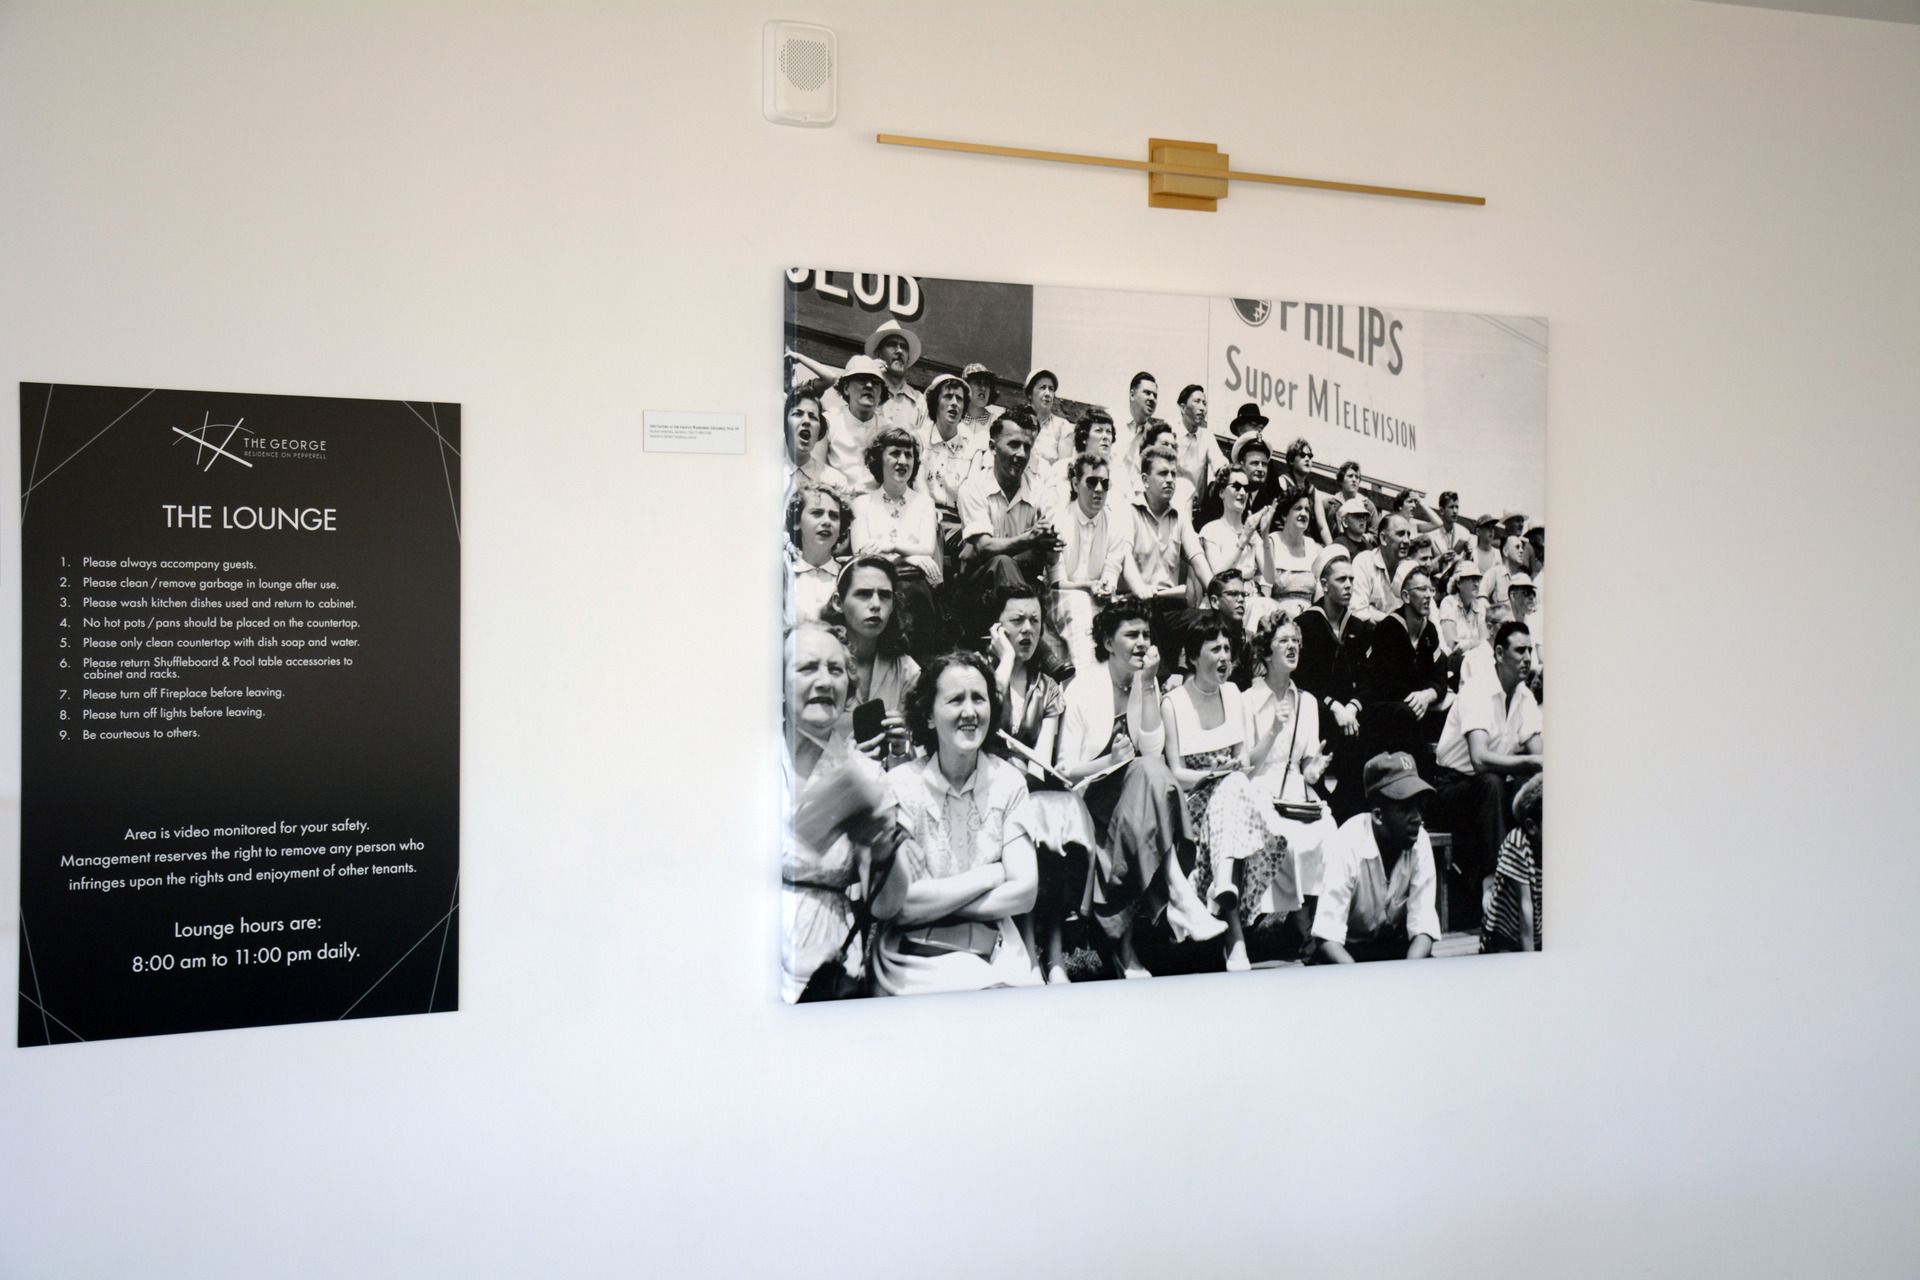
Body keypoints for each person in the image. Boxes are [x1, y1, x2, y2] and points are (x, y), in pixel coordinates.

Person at [1056, 600, 1222, 976]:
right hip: (1089, 805)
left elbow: (1151, 748)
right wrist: (1108, 762)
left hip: (1135, 802)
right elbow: (1065, 772)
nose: (1141, 643)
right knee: (1147, 778)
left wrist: (1148, 685)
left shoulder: (1145, 680)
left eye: (1146, 634)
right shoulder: (1083, 689)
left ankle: (1133, 944)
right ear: (1107, 642)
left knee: (1150, 770)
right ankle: (1177, 896)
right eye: (1131, 635)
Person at [871, 651, 1043, 995]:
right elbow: (899, 907)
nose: (969, 712)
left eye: (979, 698)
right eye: (955, 700)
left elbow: (1024, 893)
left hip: (994, 942)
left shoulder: (1009, 783)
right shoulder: (900, 785)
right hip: (912, 953)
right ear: (930, 716)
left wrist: (931, 902)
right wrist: (990, 875)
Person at [1161, 611, 1299, 972]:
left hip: (1232, 800)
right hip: (1193, 804)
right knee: (1230, 787)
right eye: (1214, 649)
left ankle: (1227, 898)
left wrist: (1271, 732)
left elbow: (1245, 763)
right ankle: (1234, 936)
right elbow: (1175, 773)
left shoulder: (1234, 694)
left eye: (1227, 648)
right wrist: (1212, 774)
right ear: (1193, 656)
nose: (1224, 656)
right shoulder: (1173, 702)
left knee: (1234, 785)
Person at [782, 623, 911, 1001]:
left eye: (835, 670)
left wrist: (882, 847)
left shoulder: (865, 776)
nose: (824, 681)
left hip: (823, 958)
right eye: (808, 668)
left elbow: (887, 906)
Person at [984, 585, 1098, 986]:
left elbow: (1041, 762)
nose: (1028, 630)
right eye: (1017, 621)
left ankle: (1051, 953)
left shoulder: (1049, 689)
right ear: (998, 628)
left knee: (1060, 809)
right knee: (1033, 811)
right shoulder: (979, 674)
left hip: (1025, 787)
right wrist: (1006, 662)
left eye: (1035, 621)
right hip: (983, 786)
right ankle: (1031, 947)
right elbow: (979, 736)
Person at [1432, 620, 1542, 928]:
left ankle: (1534, 880)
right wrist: (1533, 762)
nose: (1527, 658)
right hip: (1449, 788)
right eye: (1519, 651)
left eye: (1530, 651)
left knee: (1529, 787)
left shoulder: (1524, 696)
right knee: (1493, 782)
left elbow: (1539, 755)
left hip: (1486, 790)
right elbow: (1479, 759)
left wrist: (1535, 764)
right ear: (1498, 653)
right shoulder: (1477, 690)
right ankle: (1495, 888)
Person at [1246, 613, 1338, 952]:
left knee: (1328, 834)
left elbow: (1306, 763)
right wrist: (1272, 730)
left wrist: (1314, 768)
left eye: (1296, 642)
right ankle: (1301, 929)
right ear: (1266, 653)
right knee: (1292, 841)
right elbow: (1246, 763)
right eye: (1283, 641)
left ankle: (1318, 923)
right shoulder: (1248, 701)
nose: (1292, 647)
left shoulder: (1308, 702)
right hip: (1258, 790)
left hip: (1297, 793)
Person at [1310, 752, 1441, 963]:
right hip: (1344, 952)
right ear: (1378, 815)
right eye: (1406, 808)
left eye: (1420, 806)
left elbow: (1423, 928)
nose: (1417, 818)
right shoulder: (1347, 842)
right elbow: (1327, 938)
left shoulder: (1419, 839)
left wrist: (1410, 973)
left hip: (1391, 946)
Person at [954, 409, 1062, 643]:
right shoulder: (973, 487)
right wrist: (1030, 541)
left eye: (1027, 447)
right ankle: (1041, 647)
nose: (1021, 454)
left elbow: (1052, 558)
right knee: (1002, 563)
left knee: (1012, 567)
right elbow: (984, 547)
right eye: (1013, 444)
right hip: (979, 592)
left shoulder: (1039, 490)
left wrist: (1048, 544)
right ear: (993, 447)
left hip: (1026, 585)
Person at [850, 426, 946, 658]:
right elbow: (862, 552)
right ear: (879, 458)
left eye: (909, 454)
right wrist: (912, 556)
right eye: (894, 453)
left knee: (914, 589)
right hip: (877, 582)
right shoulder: (862, 504)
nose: (902, 461)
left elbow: (927, 548)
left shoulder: (925, 504)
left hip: (915, 587)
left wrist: (890, 546)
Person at [1293, 547, 1371, 819]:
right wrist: (1335, 707)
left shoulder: (1361, 629)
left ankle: (1356, 809)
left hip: (1352, 714)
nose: (1349, 585)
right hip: (1318, 710)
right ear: (1324, 585)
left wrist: (1352, 706)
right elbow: (1302, 679)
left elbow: (1368, 679)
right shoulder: (1305, 624)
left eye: (1351, 579)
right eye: (1341, 580)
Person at [821, 556, 919, 765]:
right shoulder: (819, 666)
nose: (876, 605)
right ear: (838, 602)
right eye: (864, 594)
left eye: (884, 596)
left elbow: (915, 763)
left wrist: (902, 747)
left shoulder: (906, 670)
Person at [1048, 450, 1139, 674]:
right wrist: (1087, 587)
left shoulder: (1116, 524)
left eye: (1104, 483)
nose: (1099, 489)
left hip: (1097, 600)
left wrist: (1105, 587)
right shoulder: (1057, 519)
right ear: (1075, 484)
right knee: (1079, 603)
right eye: (1092, 482)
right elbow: (1056, 583)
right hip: (1059, 599)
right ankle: (1087, 680)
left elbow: (1111, 574)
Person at [1128, 444, 1214, 659]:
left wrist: (1216, 590)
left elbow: (1197, 558)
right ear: (1145, 480)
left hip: (1171, 606)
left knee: (1214, 623)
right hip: (1137, 605)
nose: (1170, 480)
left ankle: (1188, 678)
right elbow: (1124, 556)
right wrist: (1139, 588)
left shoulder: (1180, 517)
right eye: (1163, 473)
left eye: (1173, 474)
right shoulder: (1130, 512)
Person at [790, 319, 930, 451]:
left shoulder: (919, 401)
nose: (899, 351)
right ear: (878, 354)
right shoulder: (857, 391)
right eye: (892, 345)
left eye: (904, 347)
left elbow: (925, 444)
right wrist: (871, 371)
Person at [1356, 560, 1446, 764]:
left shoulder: (1429, 630)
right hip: (1381, 710)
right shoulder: (1388, 629)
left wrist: (1428, 694)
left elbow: (1439, 674)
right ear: (1405, 596)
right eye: (1421, 589)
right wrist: (1420, 697)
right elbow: (1388, 685)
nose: (1428, 595)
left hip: (1415, 704)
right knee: (1406, 713)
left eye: (1430, 589)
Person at [1481, 774, 1543, 954]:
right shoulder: (1517, 844)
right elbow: (1525, 907)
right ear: (1532, 826)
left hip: (1537, 932)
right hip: (1503, 935)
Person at [1195, 464, 1275, 604]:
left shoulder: (1252, 532)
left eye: (1246, 488)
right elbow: (1218, 577)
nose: (1243, 492)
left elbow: (1270, 576)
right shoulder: (1211, 530)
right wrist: (1243, 539)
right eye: (1236, 486)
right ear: (1221, 493)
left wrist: (1264, 535)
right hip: (1223, 601)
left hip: (1250, 599)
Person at [814, 353, 892, 492]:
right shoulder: (829, 420)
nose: (869, 386)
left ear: (881, 393)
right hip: (836, 499)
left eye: (875, 382)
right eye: (862, 380)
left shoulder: (888, 429)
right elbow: (816, 467)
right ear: (845, 388)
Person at [920, 372, 985, 521]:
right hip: (923, 518)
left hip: (959, 523)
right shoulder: (919, 440)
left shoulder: (974, 449)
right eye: (948, 396)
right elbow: (919, 487)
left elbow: (971, 493)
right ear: (935, 403)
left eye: (959, 399)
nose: (954, 403)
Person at [785, 483, 851, 628]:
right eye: (817, 513)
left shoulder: (848, 576)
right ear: (797, 522)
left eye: (834, 516)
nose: (827, 522)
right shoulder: (784, 572)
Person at [1265, 483, 1324, 618]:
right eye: (1298, 508)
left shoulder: (1315, 549)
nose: (1304, 513)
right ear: (1285, 515)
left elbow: (1320, 598)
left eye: (1307, 510)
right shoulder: (1271, 543)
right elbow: (1265, 597)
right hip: (1277, 620)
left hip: (1309, 620)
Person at [1349, 512, 1416, 622]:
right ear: (1384, 538)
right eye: (1400, 534)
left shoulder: (1412, 568)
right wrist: (1394, 622)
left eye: (1408, 535)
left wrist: (1372, 611)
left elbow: (1425, 613)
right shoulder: (1364, 562)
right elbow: (1357, 611)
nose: (1407, 540)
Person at [785, 386, 849, 493]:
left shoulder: (835, 482)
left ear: (820, 431)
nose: (806, 421)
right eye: (798, 414)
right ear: (785, 425)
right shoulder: (766, 475)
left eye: (813, 417)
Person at [1172, 384, 1223, 493]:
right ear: (1183, 408)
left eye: (1204, 403)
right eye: (1197, 401)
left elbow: (1219, 463)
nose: (1202, 408)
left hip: (1195, 506)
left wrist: (1223, 471)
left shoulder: (1207, 436)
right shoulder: (1170, 432)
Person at [1024, 368, 1076, 472]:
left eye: (1051, 389)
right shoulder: (1018, 422)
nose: (1047, 393)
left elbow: (1063, 469)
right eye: (1042, 388)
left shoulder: (1062, 426)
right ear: (1030, 394)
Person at [1435, 559, 1488, 659]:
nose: (1477, 584)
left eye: (1478, 579)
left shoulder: (1479, 606)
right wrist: (1476, 644)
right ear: (1459, 583)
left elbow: (1485, 643)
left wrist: (1470, 645)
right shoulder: (1448, 603)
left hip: (1476, 661)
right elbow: (1451, 644)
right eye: (1472, 579)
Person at [1319, 460, 1376, 550]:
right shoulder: (1328, 505)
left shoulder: (1367, 505)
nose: (1354, 480)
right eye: (1350, 476)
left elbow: (1374, 534)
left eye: (1357, 477)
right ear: (1341, 481)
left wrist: (1362, 537)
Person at [961, 361, 1004, 430]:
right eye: (978, 383)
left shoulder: (996, 423)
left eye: (986, 384)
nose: (983, 388)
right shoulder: (955, 419)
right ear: (966, 387)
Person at [1332, 496, 1373, 561]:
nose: (1362, 519)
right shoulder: (1339, 545)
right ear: (1345, 522)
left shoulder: (1369, 547)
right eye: (1357, 516)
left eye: (1364, 516)